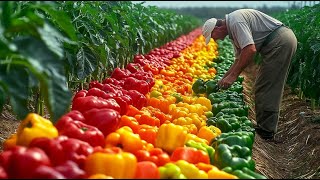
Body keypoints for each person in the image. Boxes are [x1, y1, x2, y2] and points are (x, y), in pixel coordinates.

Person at [202, 9, 297, 140]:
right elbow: (238, 59)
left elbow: (250, 50)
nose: (215, 39)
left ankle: (267, 131)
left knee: (268, 86)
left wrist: (233, 76)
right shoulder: (233, 29)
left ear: (217, 27)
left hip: (280, 42)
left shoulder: (236, 21)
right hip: (276, 43)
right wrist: (224, 78)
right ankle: (264, 126)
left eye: (213, 36)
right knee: (263, 85)